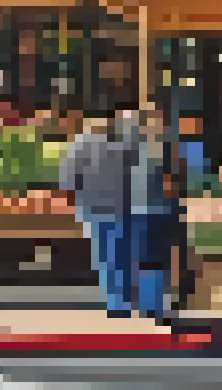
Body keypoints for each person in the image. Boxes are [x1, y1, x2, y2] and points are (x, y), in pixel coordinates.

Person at [61, 115, 134, 316]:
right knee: (120, 255)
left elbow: (68, 180)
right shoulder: (121, 148)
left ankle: (114, 302)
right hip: (120, 208)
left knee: (104, 257)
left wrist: (73, 203)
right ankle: (121, 302)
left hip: (93, 208)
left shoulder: (78, 147)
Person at [127, 108, 186, 324]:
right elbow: (172, 186)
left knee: (145, 260)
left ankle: (149, 307)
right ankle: (158, 309)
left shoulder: (134, 151)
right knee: (157, 261)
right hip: (158, 212)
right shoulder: (165, 150)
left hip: (140, 211)